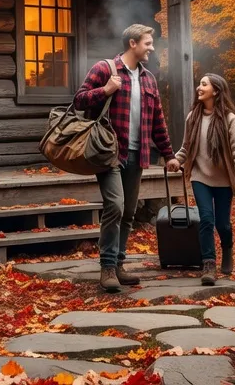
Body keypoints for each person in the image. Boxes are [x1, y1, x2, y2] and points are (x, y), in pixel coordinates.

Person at [73, 23, 179, 293]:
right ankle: (107, 267)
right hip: (109, 153)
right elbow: (79, 101)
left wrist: (168, 154)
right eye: (147, 43)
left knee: (129, 213)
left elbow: (158, 122)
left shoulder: (148, 79)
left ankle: (119, 264)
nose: (151, 48)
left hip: (138, 153)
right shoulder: (105, 69)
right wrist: (106, 90)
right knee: (116, 207)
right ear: (133, 43)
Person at [172, 73, 235, 286]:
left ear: (215, 91)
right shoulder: (193, 117)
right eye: (199, 83)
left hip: (224, 179)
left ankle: (227, 247)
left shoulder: (229, 119)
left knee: (222, 224)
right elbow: (186, 147)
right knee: (206, 220)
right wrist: (176, 160)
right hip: (200, 177)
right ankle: (208, 264)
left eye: (204, 84)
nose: (199, 87)